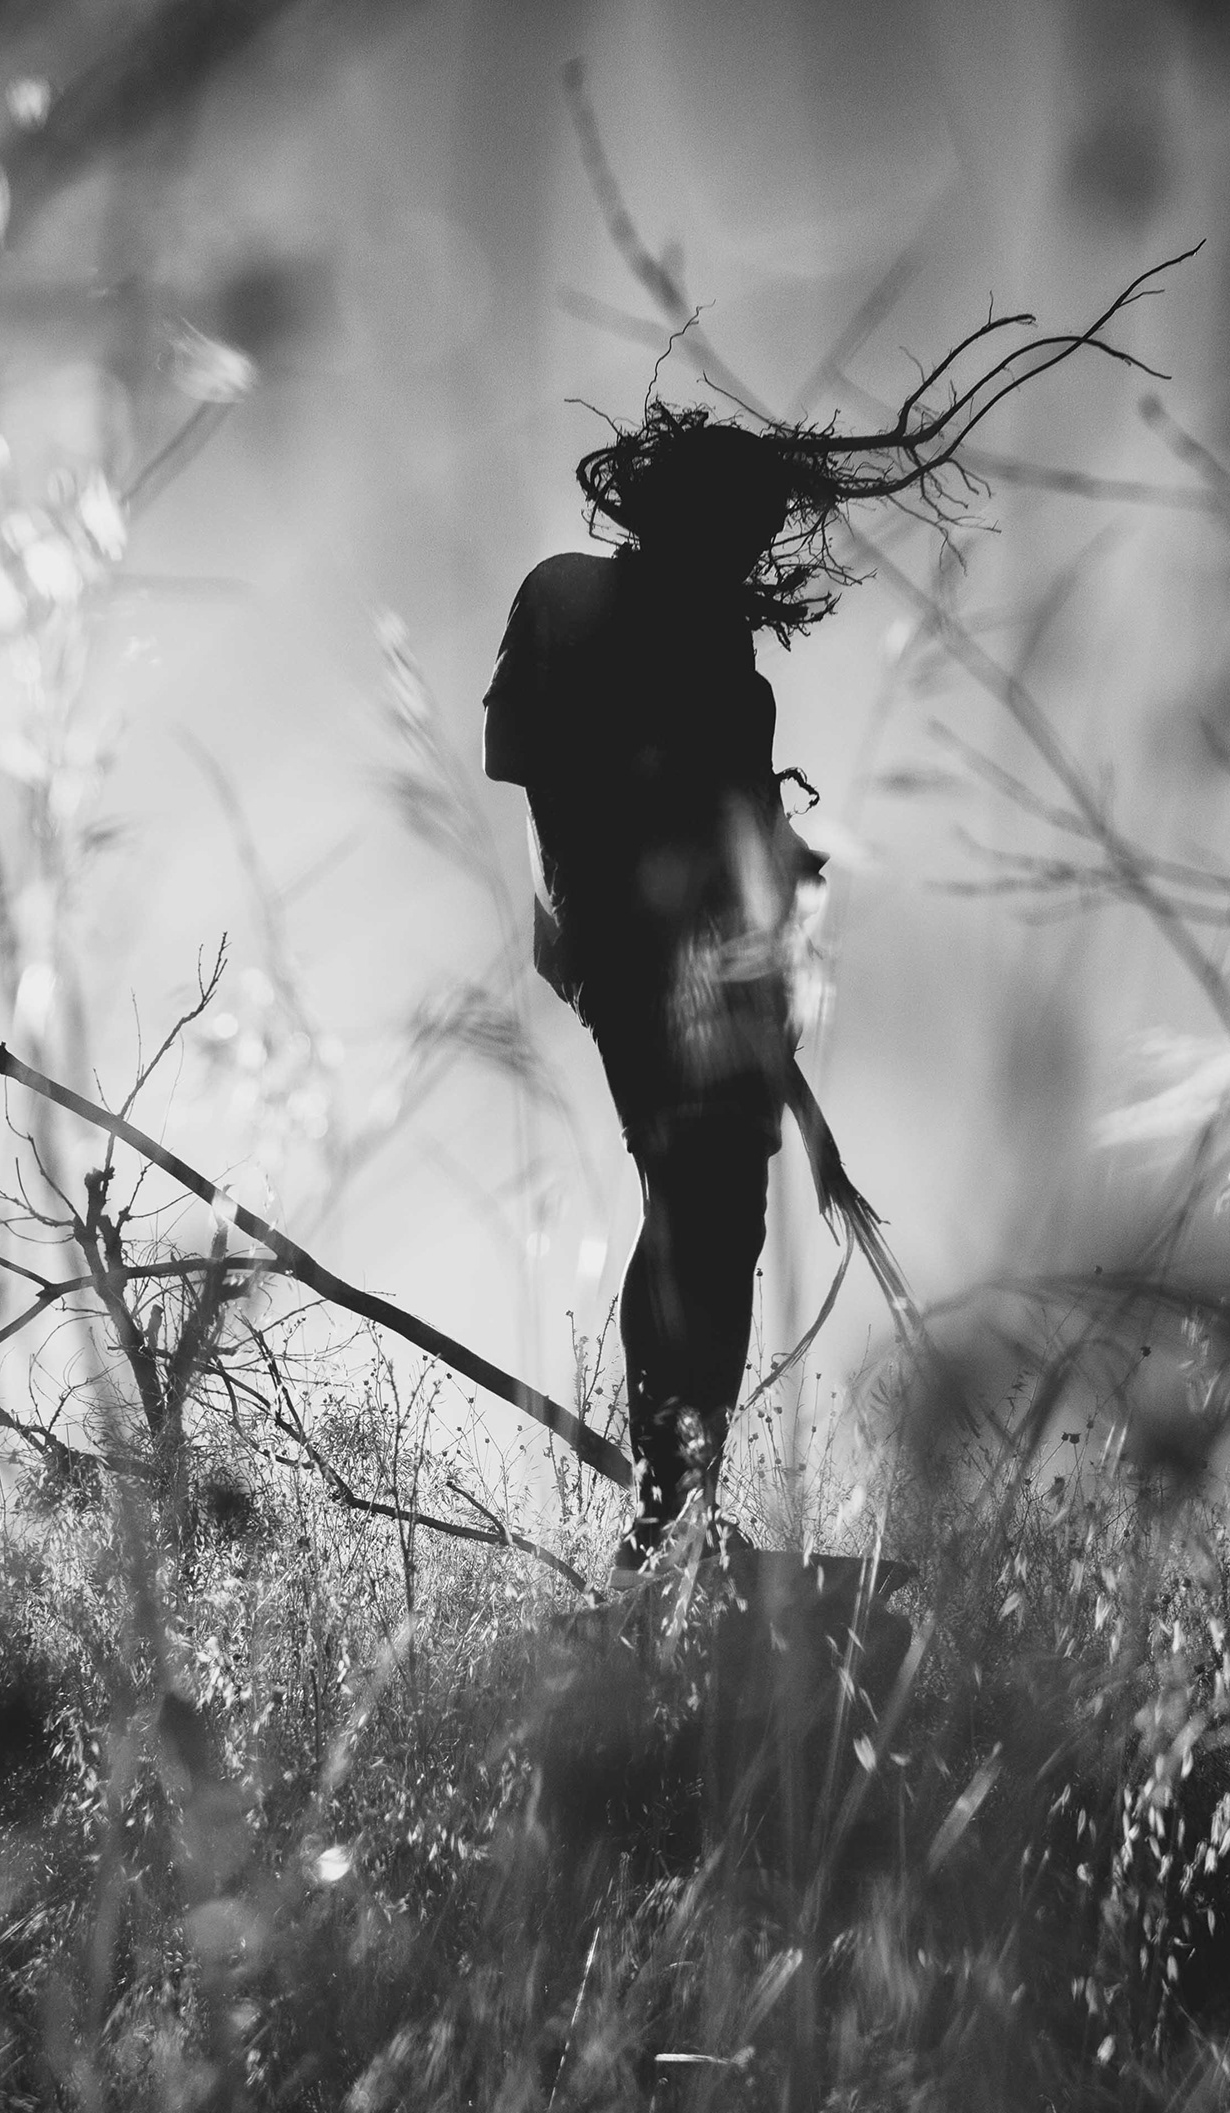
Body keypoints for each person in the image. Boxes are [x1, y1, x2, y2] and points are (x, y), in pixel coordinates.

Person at [482, 410, 828, 1577]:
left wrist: (780, 962)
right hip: (630, 951)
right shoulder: (571, 594)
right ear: (678, 513)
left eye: (757, 533)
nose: (747, 549)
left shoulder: (732, 664)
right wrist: (569, 916)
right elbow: (531, 767)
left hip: (727, 977)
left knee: (726, 1209)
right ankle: (668, 1505)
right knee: (692, 1187)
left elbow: (750, 837)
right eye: (735, 526)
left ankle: (688, 1496)